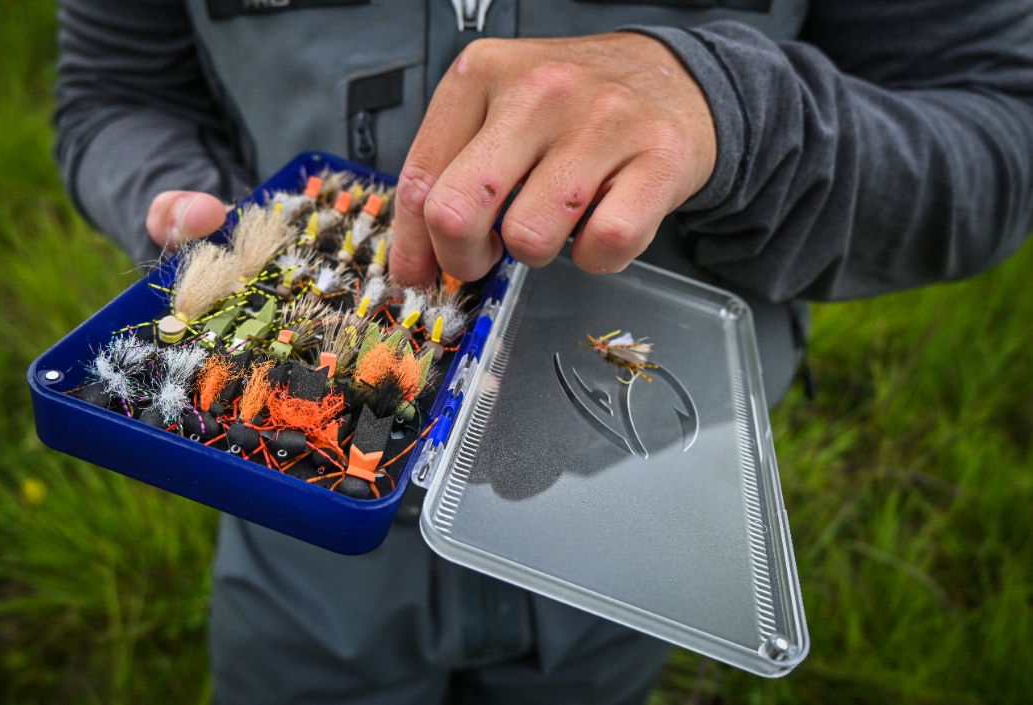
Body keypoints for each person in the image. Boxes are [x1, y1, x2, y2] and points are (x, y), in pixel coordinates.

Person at [54, 2, 1033, 703]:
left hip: (629, 515)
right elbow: (113, 96)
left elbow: (999, 136)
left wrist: (731, 110)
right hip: (296, 537)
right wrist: (192, 212)